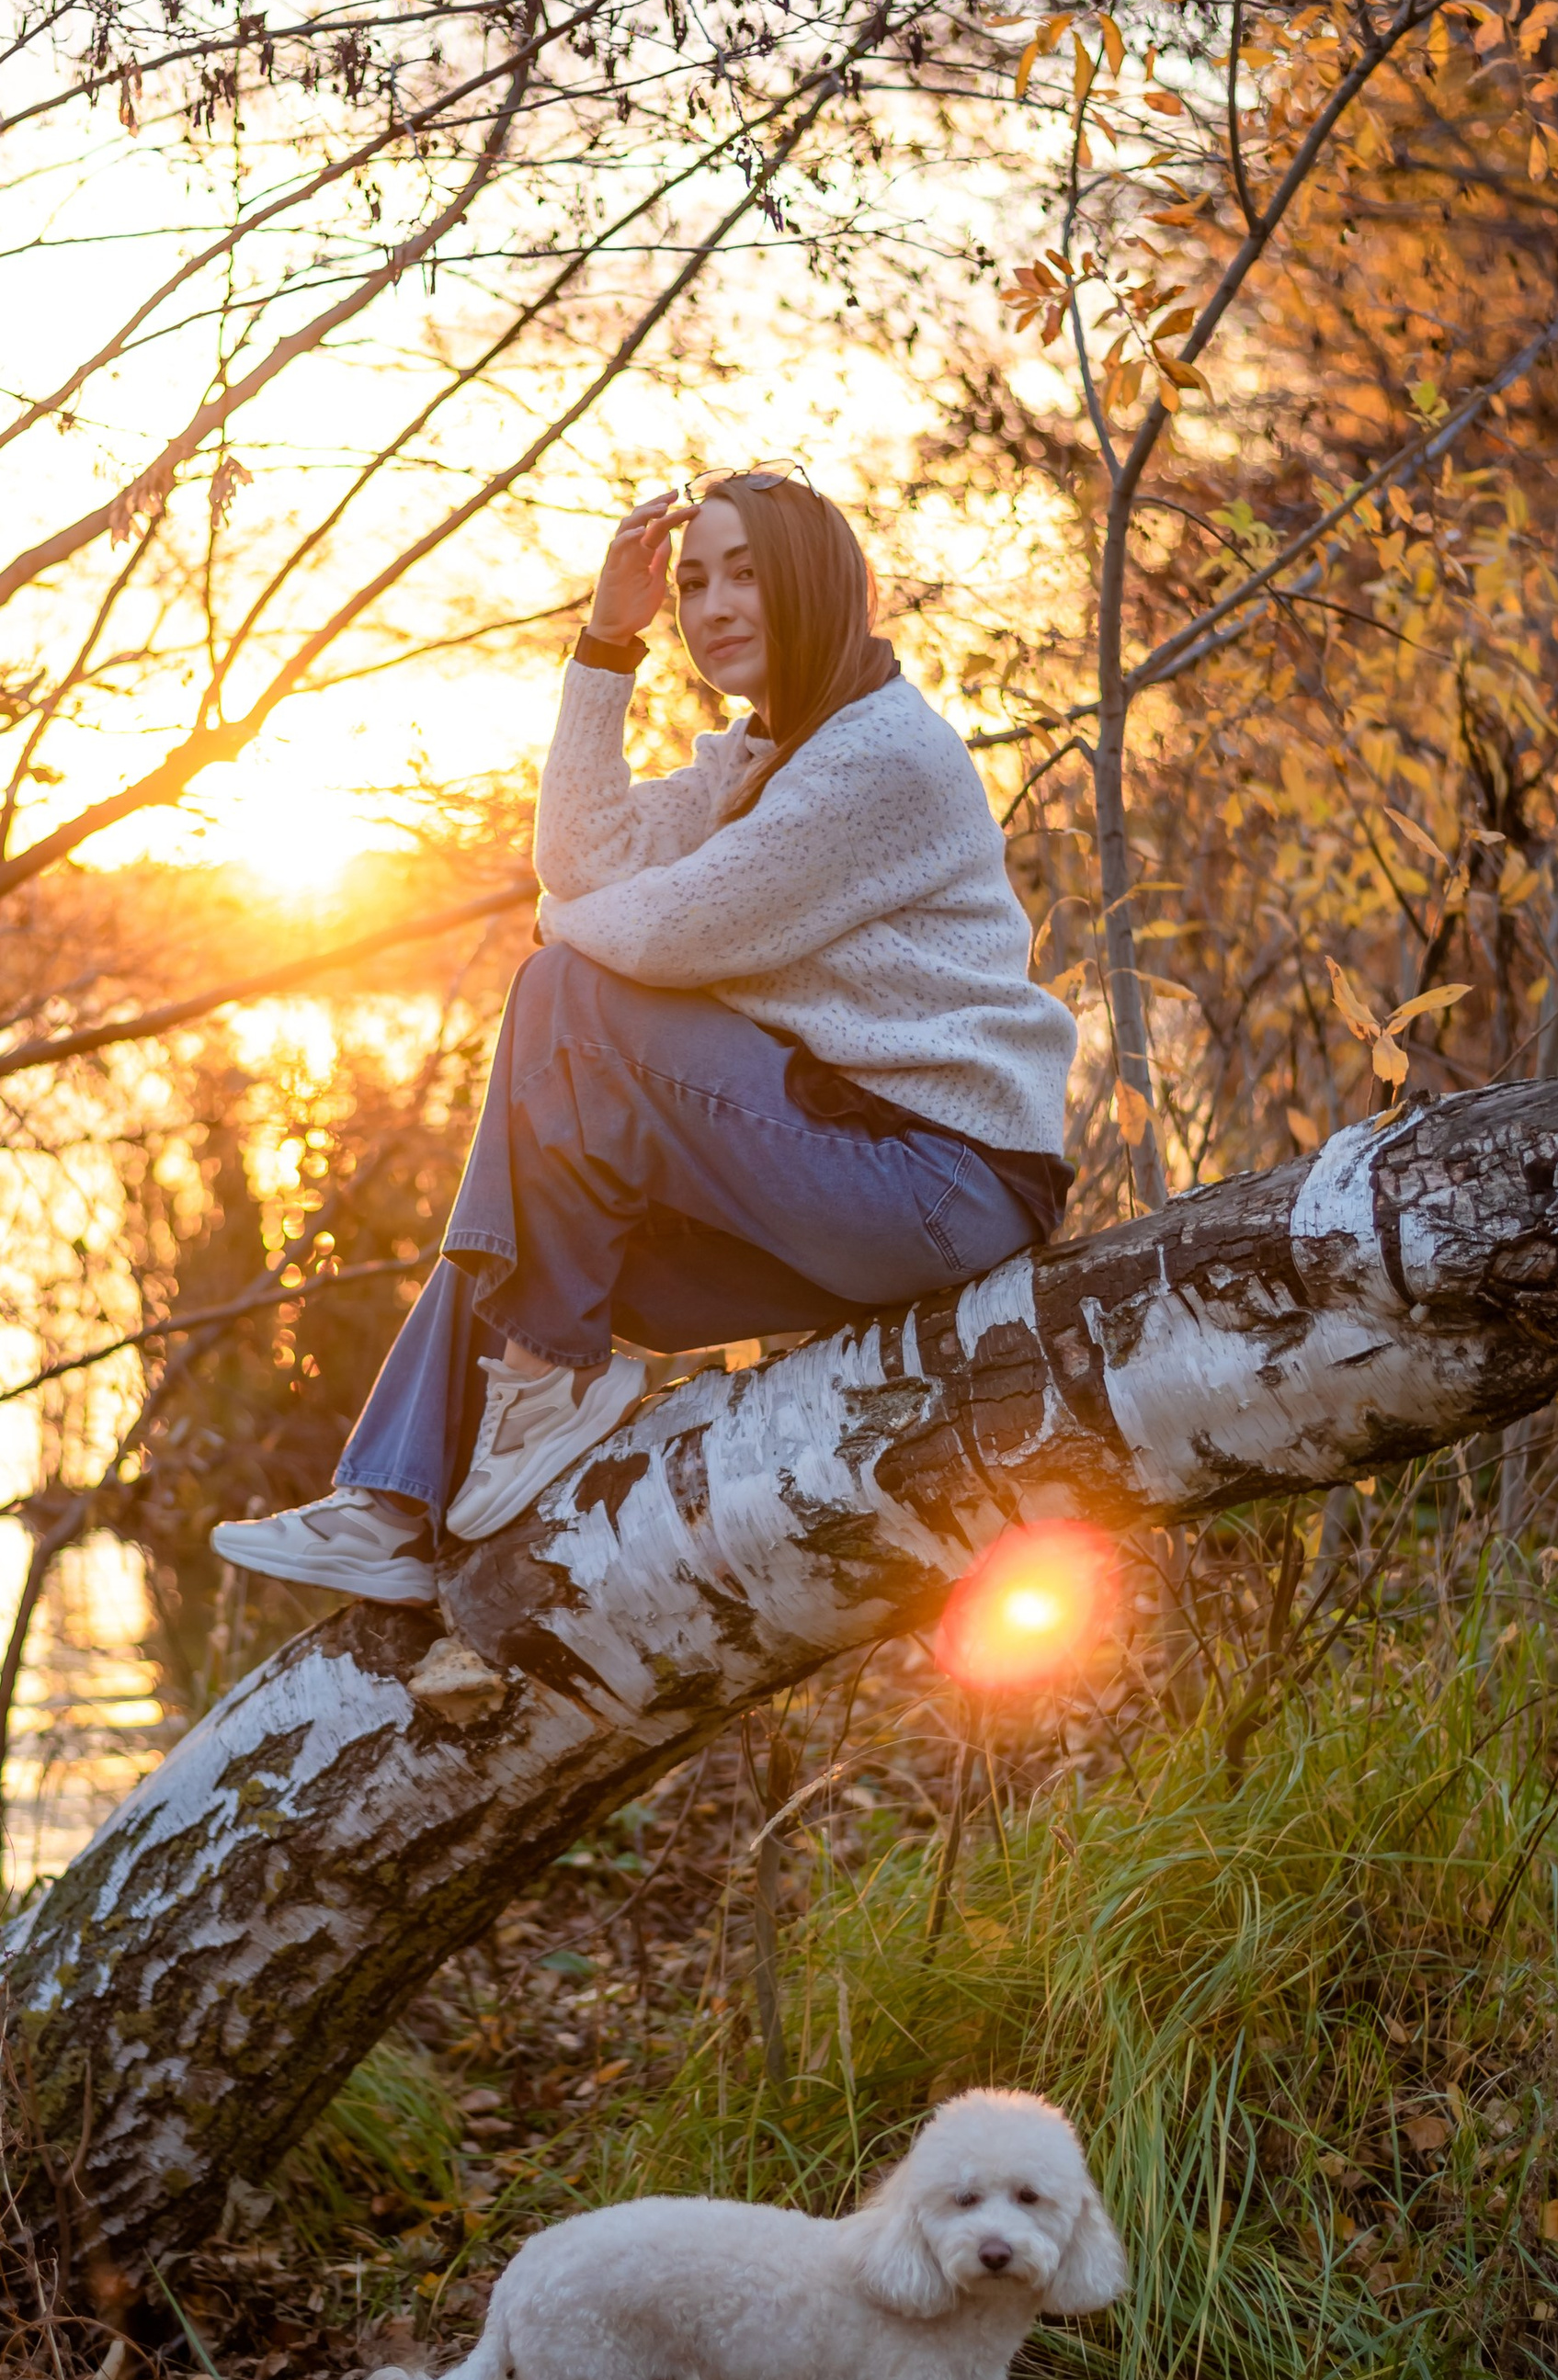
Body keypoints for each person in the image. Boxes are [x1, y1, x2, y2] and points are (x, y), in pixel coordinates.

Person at [213, 470, 1079, 1606]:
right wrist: (605, 644)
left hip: (941, 1186)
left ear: (818, 585)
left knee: (568, 993)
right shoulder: (758, 759)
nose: (712, 607)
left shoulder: (877, 758)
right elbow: (582, 859)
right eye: (693, 584)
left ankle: (544, 1387)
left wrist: (558, 929)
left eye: (745, 576)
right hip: (847, 1174)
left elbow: (666, 934)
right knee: (524, 1221)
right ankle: (393, 1511)